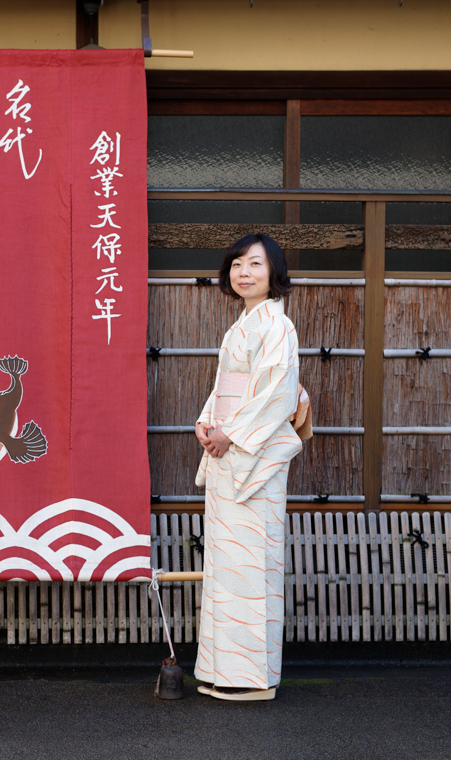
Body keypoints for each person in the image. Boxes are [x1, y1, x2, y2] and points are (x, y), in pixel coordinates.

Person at [193, 234, 304, 702]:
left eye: (255, 264)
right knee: (226, 564)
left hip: (252, 458)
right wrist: (206, 421)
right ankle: (222, 669)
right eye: (237, 264)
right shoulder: (240, 326)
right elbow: (225, 387)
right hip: (228, 454)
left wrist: (230, 433)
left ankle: (251, 678)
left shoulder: (278, 327)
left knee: (251, 564)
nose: (244, 272)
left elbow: (276, 394)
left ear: (273, 272)